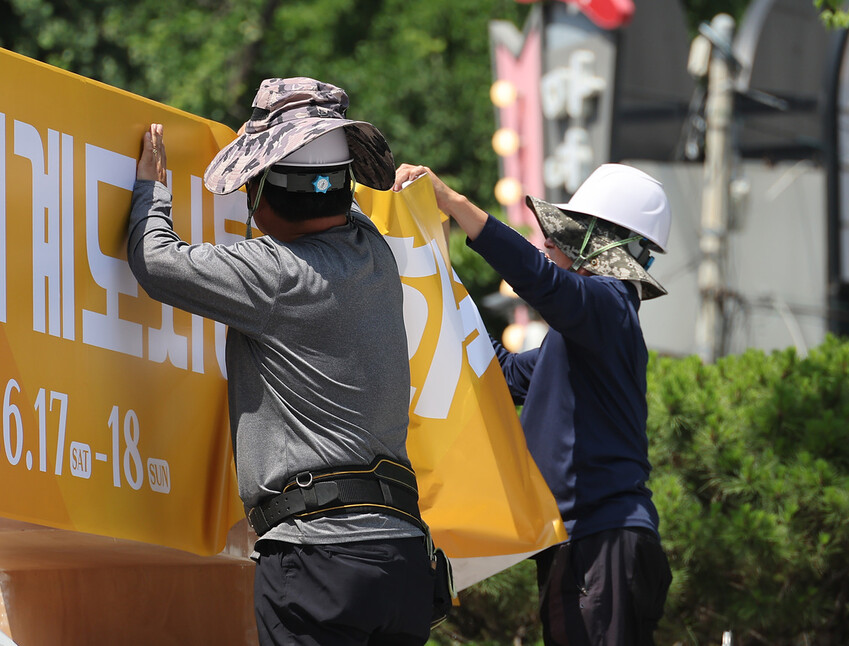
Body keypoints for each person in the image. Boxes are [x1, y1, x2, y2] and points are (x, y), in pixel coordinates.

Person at [128, 77, 433, 645]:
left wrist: (152, 190)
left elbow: (156, 261)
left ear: (263, 191)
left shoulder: (277, 275)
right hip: (402, 559)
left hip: (319, 560)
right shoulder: (373, 254)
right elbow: (334, 193)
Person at [393, 162, 673, 646]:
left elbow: (542, 280)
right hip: (586, 543)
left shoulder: (609, 303)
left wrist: (454, 204)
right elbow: (498, 372)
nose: (549, 241)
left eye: (566, 234)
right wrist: (435, 276)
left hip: (600, 540)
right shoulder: (587, 333)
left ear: (601, 245)